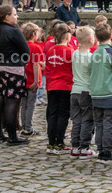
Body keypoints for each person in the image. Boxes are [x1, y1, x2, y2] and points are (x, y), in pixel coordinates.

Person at [0, 5, 31, 145]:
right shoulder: (13, 31)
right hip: (12, 69)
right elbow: (26, 51)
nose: (17, 16)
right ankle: (12, 137)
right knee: (11, 102)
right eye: (15, 14)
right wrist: (21, 63)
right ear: (7, 16)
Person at [90, 23, 112, 163]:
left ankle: (100, 149)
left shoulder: (94, 53)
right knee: (110, 123)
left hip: (96, 93)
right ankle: (107, 151)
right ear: (111, 36)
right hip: (110, 93)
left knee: (99, 124)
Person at [44, 21, 75, 153]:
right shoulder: (70, 51)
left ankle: (51, 142)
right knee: (63, 115)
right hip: (65, 86)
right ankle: (59, 142)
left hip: (52, 85)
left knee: (52, 114)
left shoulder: (50, 50)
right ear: (67, 37)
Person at [69, 25, 96, 158]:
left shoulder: (74, 53)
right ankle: (85, 147)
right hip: (86, 90)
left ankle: (75, 146)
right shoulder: (91, 57)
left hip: (74, 90)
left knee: (76, 120)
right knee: (87, 120)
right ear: (91, 39)